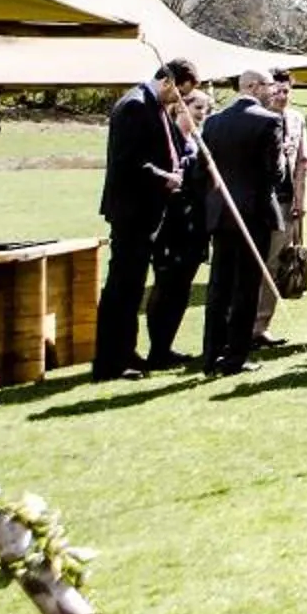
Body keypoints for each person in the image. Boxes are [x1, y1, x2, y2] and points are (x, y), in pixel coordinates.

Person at [94, 57, 198, 380]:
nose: (179, 102)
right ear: (168, 82)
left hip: (148, 211)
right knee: (122, 287)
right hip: (131, 210)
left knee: (133, 284)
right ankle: (110, 361)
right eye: (180, 94)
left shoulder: (152, 105)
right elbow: (129, 163)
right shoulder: (135, 106)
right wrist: (165, 177)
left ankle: (127, 350)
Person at [196, 68, 294, 376]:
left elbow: (203, 169)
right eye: (267, 85)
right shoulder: (269, 121)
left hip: (222, 212)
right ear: (253, 86)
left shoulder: (213, 122)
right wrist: (283, 157)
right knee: (246, 286)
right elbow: (273, 174)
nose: (272, 91)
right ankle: (235, 356)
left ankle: (211, 354)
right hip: (253, 213)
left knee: (219, 285)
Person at [145, 84, 212, 370]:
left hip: (194, 222)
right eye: (197, 108)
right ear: (180, 106)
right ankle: (157, 349)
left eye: (205, 110)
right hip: (170, 222)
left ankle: (167, 346)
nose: (201, 114)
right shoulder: (168, 136)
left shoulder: (198, 139)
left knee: (182, 286)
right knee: (166, 284)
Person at [250, 68, 307, 345]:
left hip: (286, 202)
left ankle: (261, 325)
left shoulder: (296, 119)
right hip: (257, 201)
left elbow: (302, 163)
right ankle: (239, 324)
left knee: (274, 263)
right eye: (277, 90)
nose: (282, 96)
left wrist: (300, 201)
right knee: (252, 263)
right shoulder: (255, 119)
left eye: (287, 91)